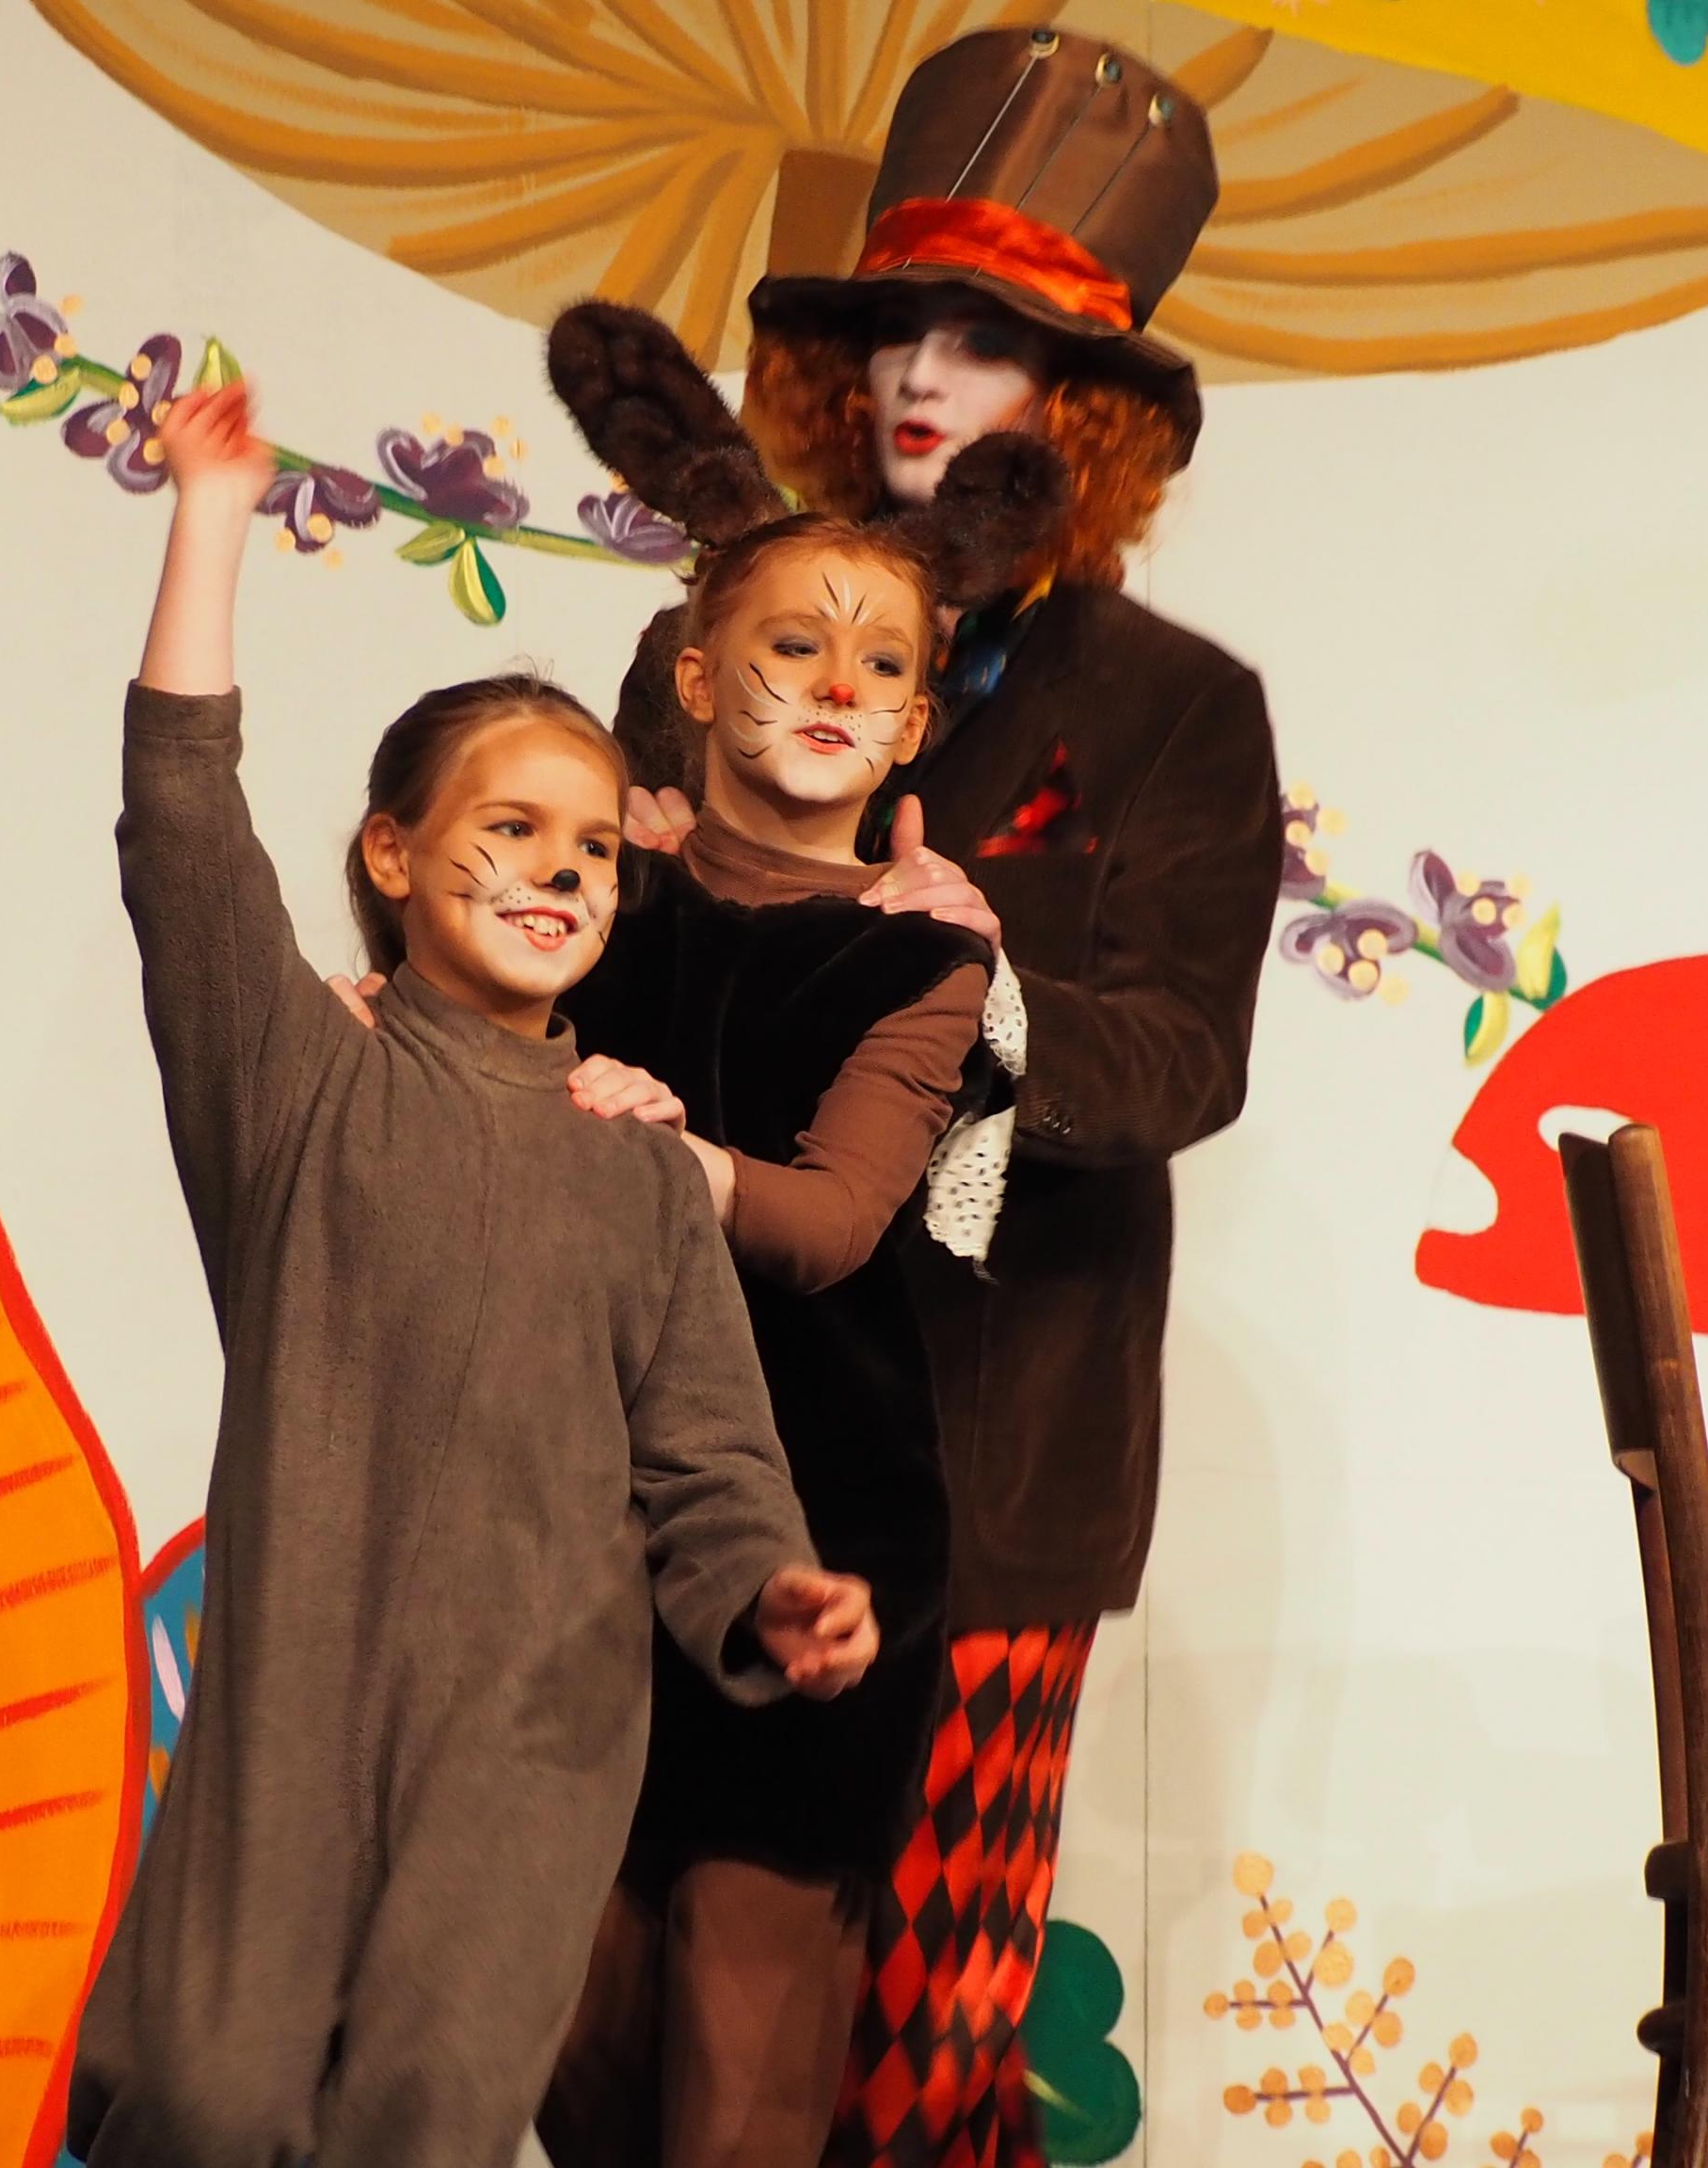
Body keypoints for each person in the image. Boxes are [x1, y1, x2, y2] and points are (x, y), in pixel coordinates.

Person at [67, 377, 882, 2168]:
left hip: (537, 1735)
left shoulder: (635, 1163)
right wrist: (210, 515)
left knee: (429, 2112)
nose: (557, 874)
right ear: (395, 853)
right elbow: (184, 827)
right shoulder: (302, 1080)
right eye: (511, 830)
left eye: (591, 850)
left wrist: (775, 1590)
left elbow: (709, 1460)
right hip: (298, 1705)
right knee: (207, 2099)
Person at [612, 29, 1289, 2166]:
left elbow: (1177, 1060)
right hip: (692, 1433)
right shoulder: (711, 654)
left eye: (985, 345)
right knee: (637, 2024)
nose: (921, 374)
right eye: (899, 329)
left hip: (985, 1467)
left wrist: (972, 977)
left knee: (911, 2052)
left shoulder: (1174, 708)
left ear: (1077, 410)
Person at [529, 303, 1068, 2168]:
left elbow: (838, 1222)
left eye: (880, 663)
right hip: (579, 1535)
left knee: (739, 2065)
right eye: (790, 644)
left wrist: (666, 1153)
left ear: (915, 722)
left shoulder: (922, 953)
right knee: (578, 2053)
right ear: (694, 675)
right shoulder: (598, 897)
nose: (834, 683)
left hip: (824, 1533)